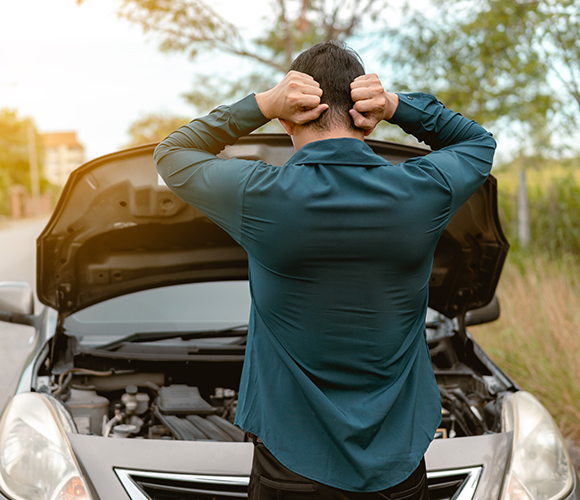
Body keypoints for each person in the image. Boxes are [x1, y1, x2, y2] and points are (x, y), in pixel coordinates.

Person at [154, 41, 496, 500]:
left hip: (290, 469)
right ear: (363, 111)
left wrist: (259, 104)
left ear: (287, 116)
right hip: (398, 466)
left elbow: (173, 153)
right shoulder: (423, 189)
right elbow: (478, 142)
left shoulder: (261, 193)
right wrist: (398, 107)